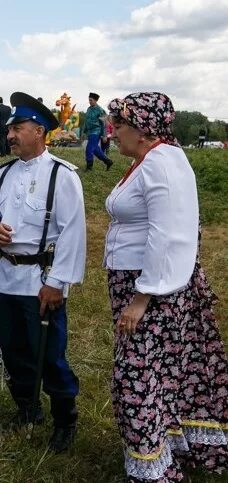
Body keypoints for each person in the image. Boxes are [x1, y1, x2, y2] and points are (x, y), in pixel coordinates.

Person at [104, 92, 227, 483]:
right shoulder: (150, 159)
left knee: (134, 378)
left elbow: (168, 233)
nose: (113, 132)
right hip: (141, 284)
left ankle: (152, 470)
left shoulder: (160, 161)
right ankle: (168, 450)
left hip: (151, 290)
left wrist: (141, 297)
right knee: (159, 373)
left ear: (142, 129)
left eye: (119, 125)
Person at [0, 92, 85, 453]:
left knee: (49, 353)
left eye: (18, 128)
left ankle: (64, 420)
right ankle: (27, 408)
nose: (10, 135)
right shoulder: (3, 173)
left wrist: (58, 283)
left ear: (38, 131)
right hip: (7, 277)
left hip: (42, 280)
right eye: (10, 129)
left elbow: (73, 232)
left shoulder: (62, 175)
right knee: (13, 349)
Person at [83, 92, 113, 171]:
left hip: (96, 131)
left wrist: (104, 135)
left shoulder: (100, 110)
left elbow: (104, 123)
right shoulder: (89, 109)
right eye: (89, 100)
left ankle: (89, 167)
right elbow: (87, 121)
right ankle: (108, 162)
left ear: (96, 101)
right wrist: (84, 131)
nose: (90, 102)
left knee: (89, 149)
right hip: (90, 132)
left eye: (91, 100)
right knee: (95, 149)